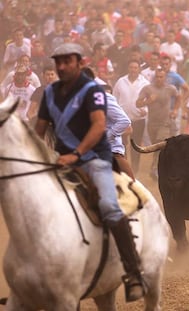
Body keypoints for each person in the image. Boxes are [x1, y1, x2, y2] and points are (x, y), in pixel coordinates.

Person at [34, 43, 145, 302]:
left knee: (108, 205)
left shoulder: (92, 90)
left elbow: (98, 126)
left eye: (67, 62)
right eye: (57, 62)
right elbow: (38, 131)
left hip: (95, 158)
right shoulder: (49, 93)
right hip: (60, 161)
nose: (61, 67)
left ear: (79, 63)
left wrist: (77, 153)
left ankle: (133, 271)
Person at [136, 68, 180, 180]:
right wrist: (148, 101)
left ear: (165, 77)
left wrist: (175, 110)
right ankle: (162, 167)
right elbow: (138, 104)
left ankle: (154, 169)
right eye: (157, 76)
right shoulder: (148, 88)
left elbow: (178, 97)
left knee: (161, 144)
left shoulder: (170, 88)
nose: (159, 79)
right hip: (152, 124)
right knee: (157, 147)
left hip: (165, 123)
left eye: (161, 77)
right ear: (154, 77)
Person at [112, 59, 150, 176]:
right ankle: (124, 170)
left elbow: (149, 101)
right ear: (128, 68)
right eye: (131, 67)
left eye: (135, 67)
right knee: (122, 145)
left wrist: (146, 110)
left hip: (138, 119)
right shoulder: (120, 82)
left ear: (139, 69)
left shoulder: (145, 83)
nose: (133, 70)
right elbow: (115, 98)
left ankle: (135, 170)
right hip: (122, 120)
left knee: (136, 145)